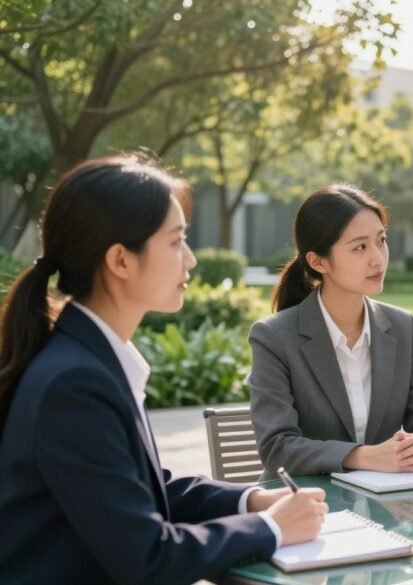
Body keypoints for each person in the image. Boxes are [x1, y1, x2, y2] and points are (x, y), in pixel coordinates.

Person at [0, 156, 327, 584]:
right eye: (175, 242)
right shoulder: (74, 382)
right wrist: (272, 528)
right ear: (120, 261)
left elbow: (147, 488)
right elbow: (147, 558)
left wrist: (254, 501)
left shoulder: (87, 358)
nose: (190, 259)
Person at [249, 184, 413, 480]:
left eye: (381, 240)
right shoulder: (273, 337)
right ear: (318, 261)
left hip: (385, 503)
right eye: (360, 247)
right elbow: (277, 447)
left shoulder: (403, 327)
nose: (378, 258)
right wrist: (366, 456)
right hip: (307, 505)